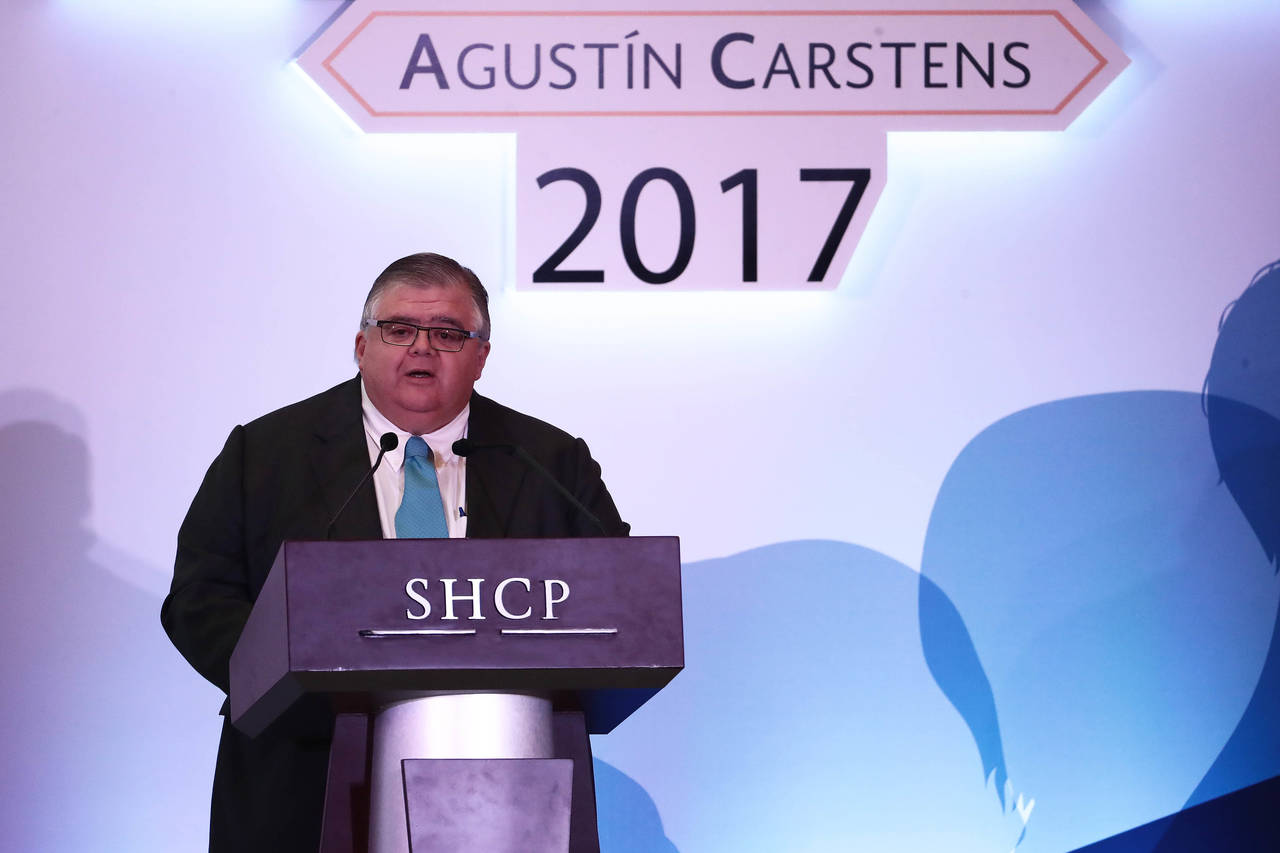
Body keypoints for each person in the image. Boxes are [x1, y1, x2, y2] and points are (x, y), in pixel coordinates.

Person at [161, 252, 628, 853]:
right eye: (399, 329)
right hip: (299, 774)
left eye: (448, 334)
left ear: (482, 356)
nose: (422, 348)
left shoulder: (550, 461)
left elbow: (615, 594)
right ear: (362, 346)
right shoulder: (264, 454)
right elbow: (200, 599)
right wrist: (283, 680)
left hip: (510, 771)